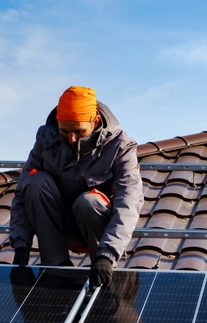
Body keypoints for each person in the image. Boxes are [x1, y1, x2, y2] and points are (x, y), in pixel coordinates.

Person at [8, 86, 142, 288]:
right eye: (64, 131)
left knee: (89, 202)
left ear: (95, 121)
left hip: (96, 225)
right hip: (57, 225)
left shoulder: (120, 147)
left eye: (79, 132)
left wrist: (107, 255)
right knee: (35, 183)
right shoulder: (46, 140)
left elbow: (128, 204)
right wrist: (21, 244)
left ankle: (102, 271)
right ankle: (55, 268)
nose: (71, 139)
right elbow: (22, 194)